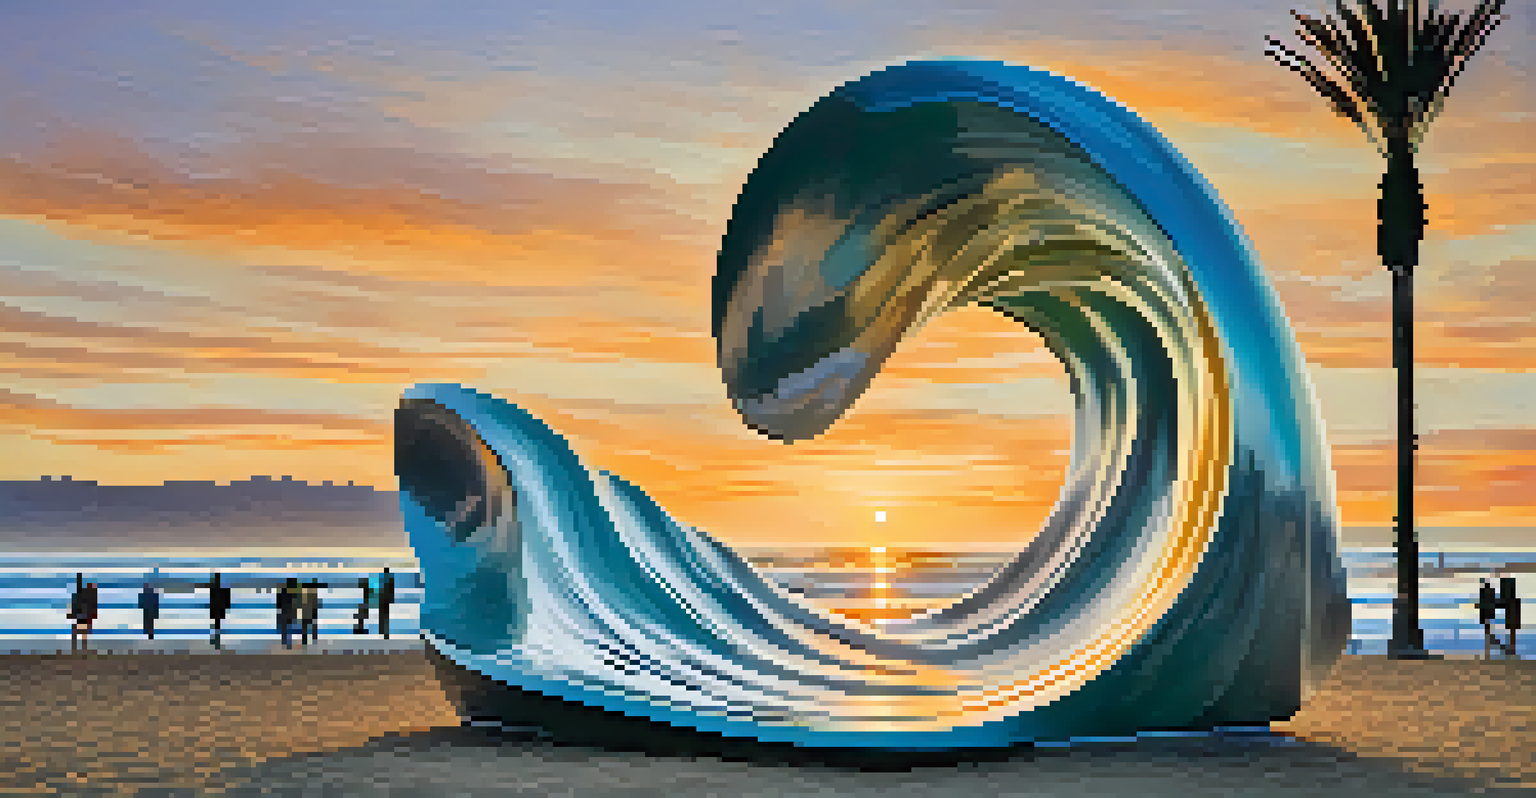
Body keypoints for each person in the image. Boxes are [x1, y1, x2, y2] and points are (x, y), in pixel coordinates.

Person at [70, 579, 99, 652]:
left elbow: (93, 605)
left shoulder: (91, 595)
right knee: (80, 631)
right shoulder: (89, 595)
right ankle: (79, 647)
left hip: (84, 614)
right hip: (83, 613)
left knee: (81, 631)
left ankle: (80, 647)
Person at [207, 572, 232, 649]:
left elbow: (211, 600)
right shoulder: (222, 590)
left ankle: (215, 640)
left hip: (216, 608)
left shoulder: (214, 589)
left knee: (216, 624)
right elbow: (227, 600)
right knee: (217, 625)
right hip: (219, 608)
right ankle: (216, 640)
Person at [276, 577, 300, 649]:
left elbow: (279, 602)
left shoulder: (283, 591)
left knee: (284, 627)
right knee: (288, 626)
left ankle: (285, 642)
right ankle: (288, 643)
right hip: (289, 611)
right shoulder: (293, 592)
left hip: (284, 611)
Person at [300, 579, 322, 645]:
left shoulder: (307, 594)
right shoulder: (313, 594)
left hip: (308, 611)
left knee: (307, 626)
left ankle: (307, 640)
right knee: (311, 625)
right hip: (310, 611)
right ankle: (313, 639)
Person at [379, 568, 395, 640]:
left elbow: (381, 589)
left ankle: (383, 632)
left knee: (383, 616)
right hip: (385, 599)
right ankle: (385, 633)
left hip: (383, 599)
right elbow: (391, 590)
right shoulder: (390, 580)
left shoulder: (382, 580)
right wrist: (391, 599)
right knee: (385, 616)